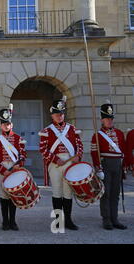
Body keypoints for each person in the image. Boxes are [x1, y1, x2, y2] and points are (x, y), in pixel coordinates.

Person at [39, 97, 83, 230]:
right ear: (52, 115)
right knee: (57, 191)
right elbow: (43, 149)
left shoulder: (72, 129)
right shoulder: (47, 131)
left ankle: (68, 220)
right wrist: (55, 159)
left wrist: (77, 156)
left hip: (70, 163)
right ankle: (58, 221)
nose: (59, 116)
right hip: (55, 164)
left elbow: (79, 145)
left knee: (68, 192)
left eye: (61, 114)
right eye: (57, 114)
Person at [91, 102, 128, 230]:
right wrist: (98, 168)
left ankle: (114, 218)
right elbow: (94, 153)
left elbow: (123, 150)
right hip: (105, 164)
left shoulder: (119, 133)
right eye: (107, 118)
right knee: (105, 193)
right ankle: (106, 219)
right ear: (102, 120)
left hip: (117, 165)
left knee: (115, 193)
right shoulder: (97, 136)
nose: (110, 121)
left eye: (111, 118)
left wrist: (123, 166)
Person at [0, 104, 27, 231]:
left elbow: (23, 155)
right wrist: (3, 170)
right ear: (1, 125)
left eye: (8, 123)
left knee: (13, 195)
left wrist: (18, 165)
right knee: (4, 196)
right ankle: (5, 222)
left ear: (12, 124)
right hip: (3, 170)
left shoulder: (18, 139)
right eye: (4, 124)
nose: (6, 126)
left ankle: (13, 221)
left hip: (15, 169)